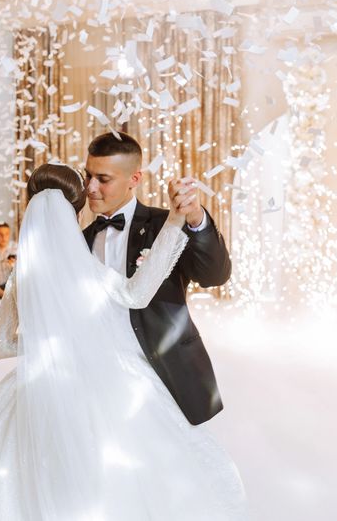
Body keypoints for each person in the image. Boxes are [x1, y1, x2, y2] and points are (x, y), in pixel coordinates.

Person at [0, 163, 247, 520]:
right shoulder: (85, 270)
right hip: (106, 383)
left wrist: (48, 340)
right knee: (120, 479)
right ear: (75, 212)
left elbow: (1, 347)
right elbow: (136, 295)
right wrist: (175, 222)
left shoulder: (20, 276)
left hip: (36, 387)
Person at [82, 132, 232, 426]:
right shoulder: (79, 241)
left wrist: (194, 217)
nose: (90, 188)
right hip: (99, 382)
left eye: (103, 178)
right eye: (88, 175)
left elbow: (215, 276)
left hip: (166, 375)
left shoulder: (167, 224)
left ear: (134, 179)